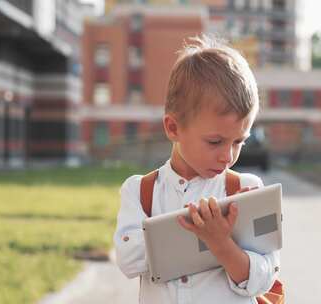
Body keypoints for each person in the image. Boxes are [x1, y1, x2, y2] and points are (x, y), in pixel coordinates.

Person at [113, 36, 280, 303]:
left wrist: (221, 244)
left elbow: (264, 278)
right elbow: (129, 261)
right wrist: (200, 232)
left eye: (239, 141)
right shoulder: (140, 190)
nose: (228, 156)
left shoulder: (247, 191)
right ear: (173, 128)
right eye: (215, 142)